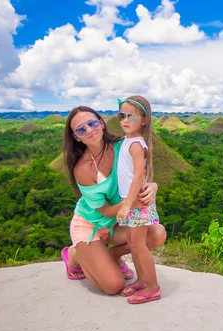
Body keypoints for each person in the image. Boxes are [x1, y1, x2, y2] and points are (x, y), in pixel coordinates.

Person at [60, 106, 167, 295]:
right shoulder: (82, 169)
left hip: (118, 222)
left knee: (157, 234)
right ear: (76, 137)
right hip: (91, 224)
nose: (89, 130)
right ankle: (74, 254)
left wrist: (153, 186)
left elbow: (139, 177)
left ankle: (111, 254)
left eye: (92, 123)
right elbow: (105, 211)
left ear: (101, 123)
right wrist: (131, 203)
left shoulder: (123, 147)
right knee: (113, 285)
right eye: (81, 129)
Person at [116, 96, 161, 304]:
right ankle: (142, 279)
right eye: (121, 115)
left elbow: (138, 176)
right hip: (132, 202)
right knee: (133, 244)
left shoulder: (136, 144)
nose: (125, 120)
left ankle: (153, 287)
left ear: (143, 120)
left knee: (139, 246)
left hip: (136, 204)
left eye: (131, 116)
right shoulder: (127, 140)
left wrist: (126, 205)